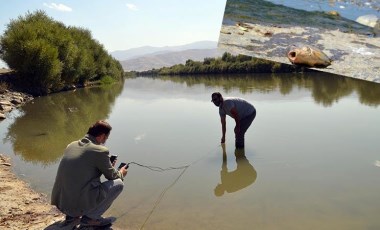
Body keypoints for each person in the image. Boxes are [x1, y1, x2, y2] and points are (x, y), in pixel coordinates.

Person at [51, 120, 128, 228]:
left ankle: (72, 216)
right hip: (75, 207)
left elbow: (83, 172)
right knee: (119, 184)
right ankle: (91, 218)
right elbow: (113, 177)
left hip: (62, 204)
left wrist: (106, 165)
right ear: (102, 136)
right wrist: (121, 172)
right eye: (106, 138)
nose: (104, 141)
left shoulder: (72, 145)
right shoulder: (100, 151)